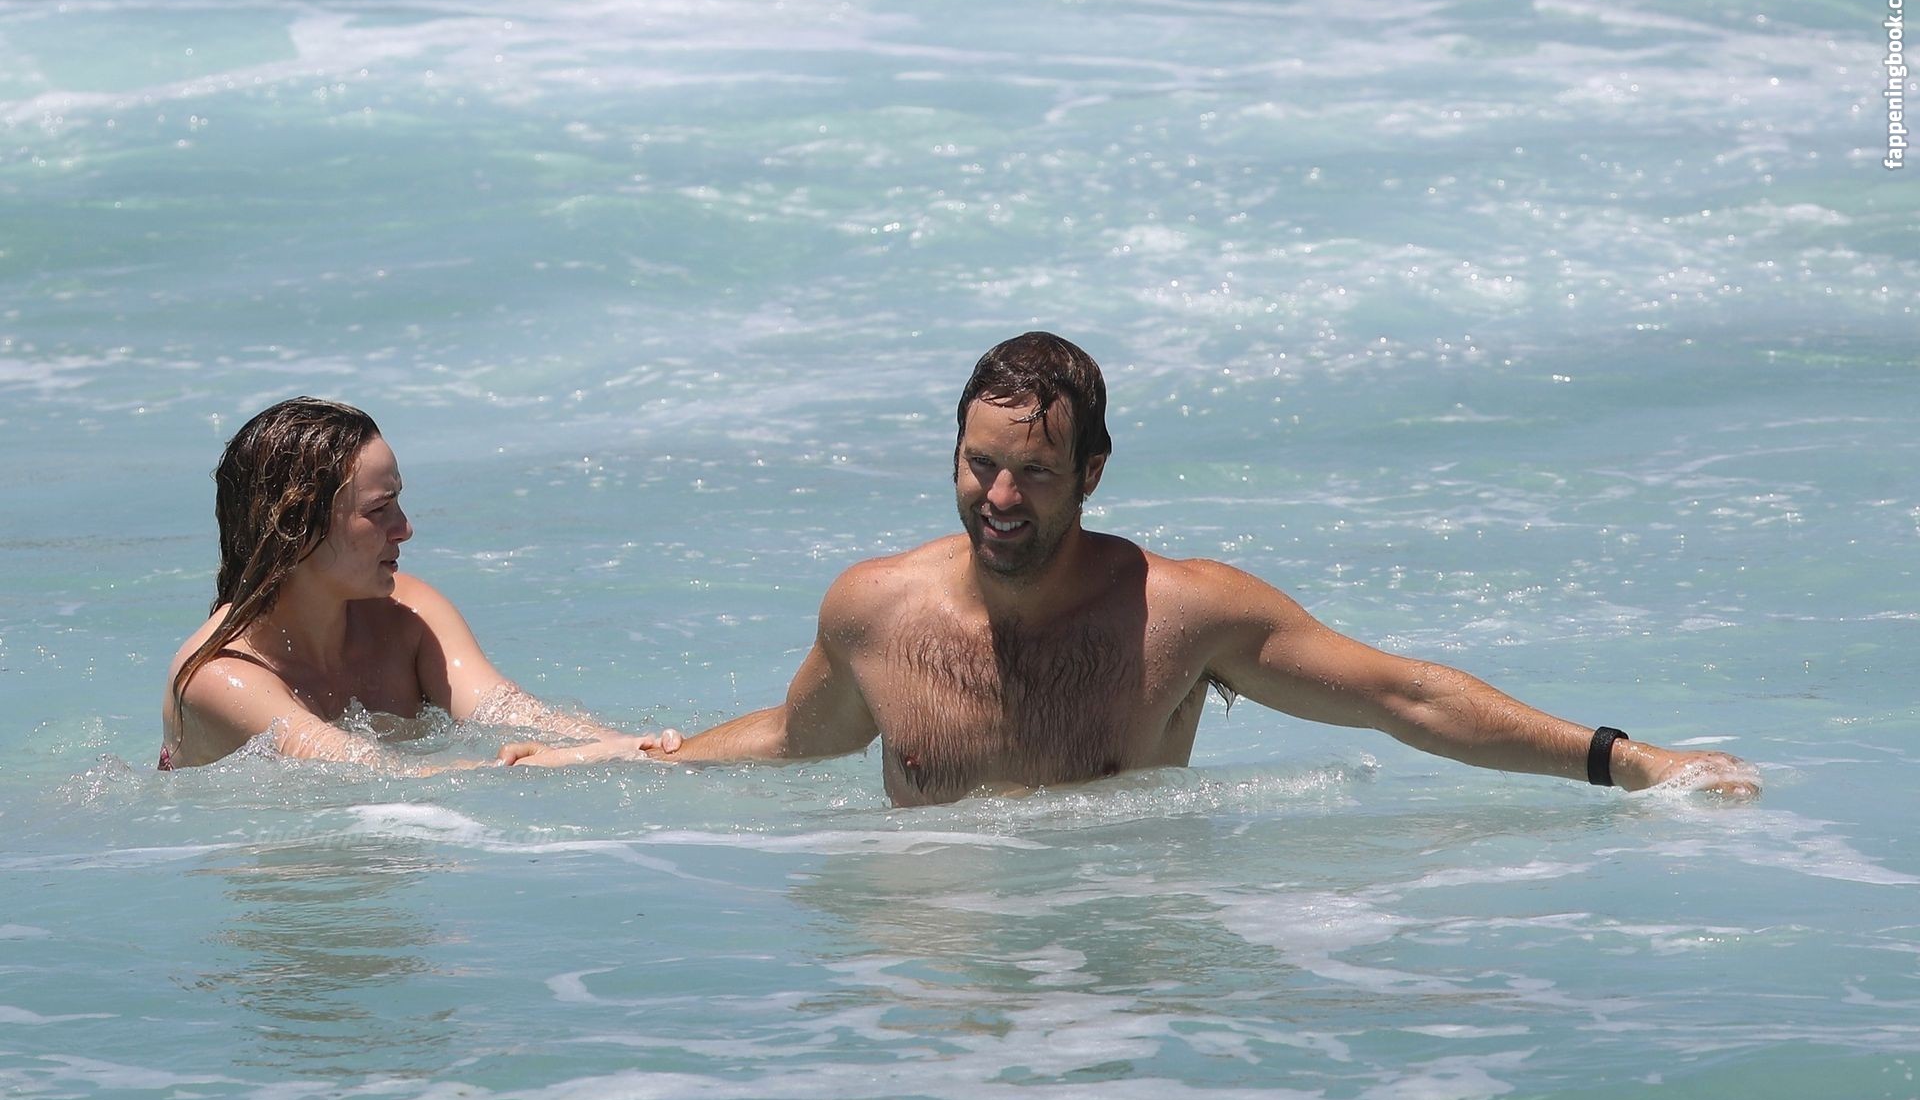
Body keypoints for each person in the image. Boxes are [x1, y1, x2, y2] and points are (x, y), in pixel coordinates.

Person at [562, 332, 1760, 806]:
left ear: (1092, 472)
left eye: (1034, 472)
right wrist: (633, 754)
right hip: (922, 987)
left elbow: (1403, 697)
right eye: (980, 464)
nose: (999, 498)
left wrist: (1628, 760)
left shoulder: (1181, 616)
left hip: (1110, 977)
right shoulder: (872, 608)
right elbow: (797, 734)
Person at [161, 397, 673, 771]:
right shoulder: (217, 677)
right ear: (296, 531)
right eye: (378, 510)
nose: (405, 528)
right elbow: (379, 776)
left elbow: (508, 711)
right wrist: (567, 762)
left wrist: (631, 745)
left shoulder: (408, 616)